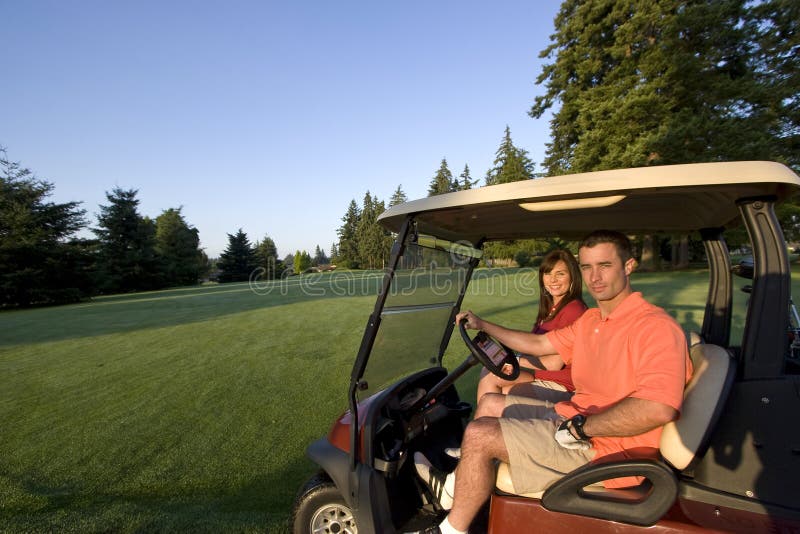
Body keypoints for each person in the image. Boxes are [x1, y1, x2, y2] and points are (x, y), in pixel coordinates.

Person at [415, 230, 692, 534]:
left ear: (628, 266)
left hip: (607, 450)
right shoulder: (592, 321)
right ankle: (461, 490)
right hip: (573, 419)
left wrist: (584, 426)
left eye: (605, 265)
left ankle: (451, 529)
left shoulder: (654, 327)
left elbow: (657, 408)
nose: (595, 277)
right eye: (587, 267)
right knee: (491, 403)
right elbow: (539, 345)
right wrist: (483, 325)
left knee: (480, 434)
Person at [475, 249, 587, 405]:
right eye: (548, 274)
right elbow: (531, 347)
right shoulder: (550, 308)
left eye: (560, 274)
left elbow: (553, 364)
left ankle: (481, 426)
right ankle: (484, 425)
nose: (553, 280)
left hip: (563, 385)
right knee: (491, 373)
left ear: (572, 277)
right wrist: (505, 359)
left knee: (498, 381)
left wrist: (512, 360)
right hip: (542, 375)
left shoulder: (574, 310)